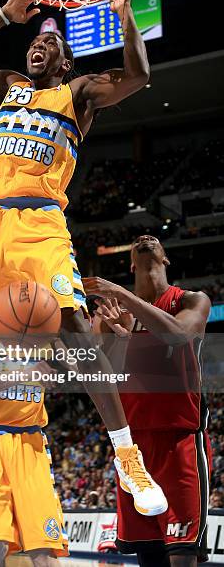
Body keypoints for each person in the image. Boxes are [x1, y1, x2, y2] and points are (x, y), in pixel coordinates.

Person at [0, 0, 167, 529]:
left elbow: (138, 77)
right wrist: (3, 17)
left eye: (50, 42)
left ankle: (126, 456)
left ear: (66, 58)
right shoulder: (9, 85)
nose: (39, 45)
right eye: (34, 41)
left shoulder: (78, 94)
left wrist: (127, 19)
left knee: (75, 327)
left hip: (41, 221)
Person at [85, 234, 212, 567]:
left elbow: (178, 333)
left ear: (165, 259)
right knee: (150, 558)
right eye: (138, 241)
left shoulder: (192, 300)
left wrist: (122, 295)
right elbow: (106, 376)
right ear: (131, 264)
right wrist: (119, 339)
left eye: (152, 239)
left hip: (179, 439)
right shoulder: (111, 313)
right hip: (133, 452)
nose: (144, 239)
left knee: (182, 556)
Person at [0, 350, 68, 566]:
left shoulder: (45, 337)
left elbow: (90, 365)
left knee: (44, 546)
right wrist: (28, 372)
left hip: (29, 442)